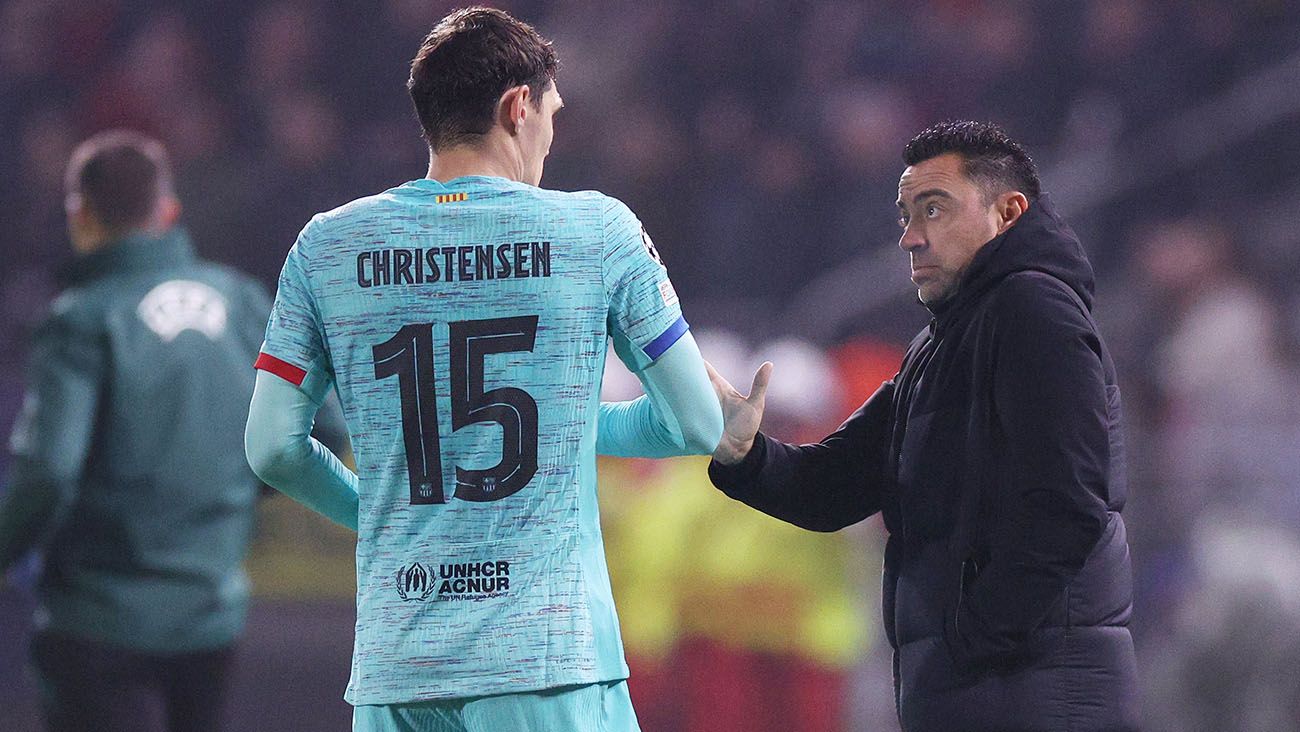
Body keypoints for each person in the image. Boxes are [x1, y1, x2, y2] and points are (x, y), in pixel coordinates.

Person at [243, 7, 721, 732]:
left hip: (397, 664)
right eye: (552, 113)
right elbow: (695, 424)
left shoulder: (326, 248)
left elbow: (271, 448)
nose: (552, 134)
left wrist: (375, 515)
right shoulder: (596, 230)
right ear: (517, 106)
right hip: (546, 659)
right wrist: (566, 428)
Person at [706, 121, 1138, 732]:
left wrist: (974, 641)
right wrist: (746, 454)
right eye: (906, 215)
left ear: (1008, 213)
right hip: (984, 692)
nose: (910, 237)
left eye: (934, 209)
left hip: (1029, 695)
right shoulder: (939, 346)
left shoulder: (1033, 308)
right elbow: (835, 486)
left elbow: (1067, 505)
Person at [0, 130, 273, 732]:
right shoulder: (244, 303)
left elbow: (49, 471)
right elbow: (313, 429)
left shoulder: (80, 321)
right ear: (168, 211)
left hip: (98, 618)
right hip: (211, 611)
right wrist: (223, 503)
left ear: (80, 214)